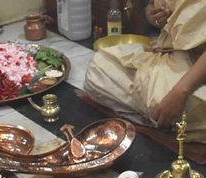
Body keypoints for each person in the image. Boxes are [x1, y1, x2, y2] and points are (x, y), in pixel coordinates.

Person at [84, 0, 206, 143]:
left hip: (197, 72)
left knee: (162, 99)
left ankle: (162, 116)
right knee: (99, 66)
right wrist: (153, 15)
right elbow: (160, 12)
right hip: (171, 56)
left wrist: (180, 92)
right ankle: (163, 118)